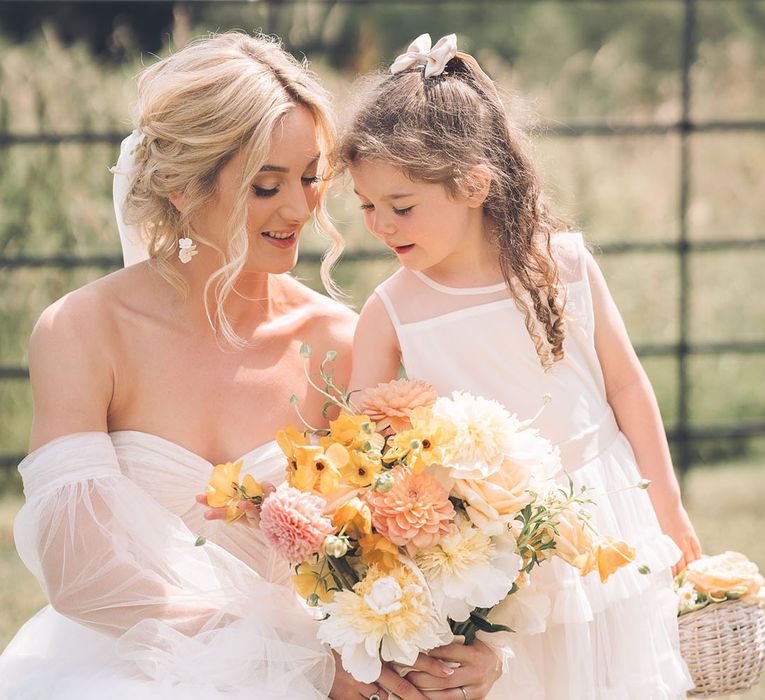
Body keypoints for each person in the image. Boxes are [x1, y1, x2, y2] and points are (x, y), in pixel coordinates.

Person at [0, 32, 446, 700]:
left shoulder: (341, 342)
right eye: (266, 186)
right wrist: (291, 660)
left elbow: (395, 548)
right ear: (181, 187)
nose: (299, 209)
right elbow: (79, 570)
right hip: (125, 669)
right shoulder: (82, 331)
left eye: (309, 178)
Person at [343, 33, 700, 699]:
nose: (381, 225)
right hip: (489, 552)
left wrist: (670, 508)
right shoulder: (391, 310)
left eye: (401, 206)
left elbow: (624, 385)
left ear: (474, 184)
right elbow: (371, 458)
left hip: (602, 520)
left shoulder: (561, 266)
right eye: (367, 206)